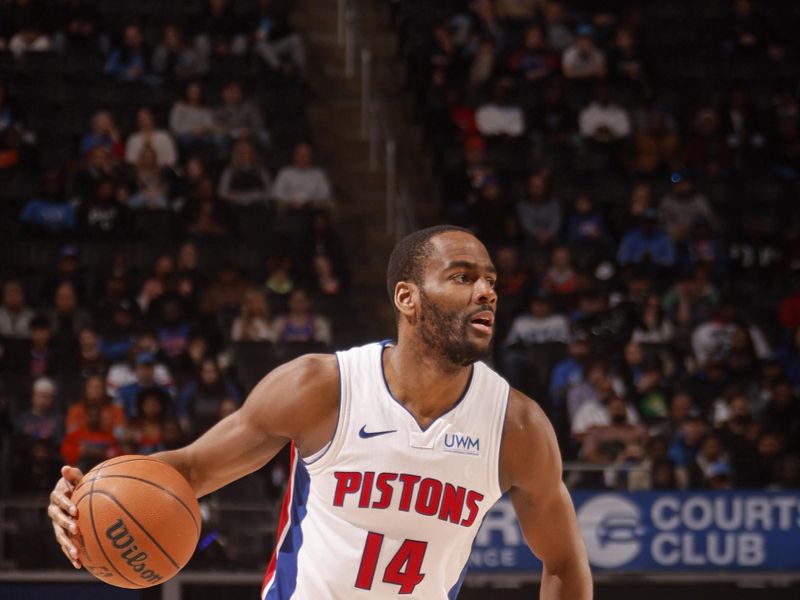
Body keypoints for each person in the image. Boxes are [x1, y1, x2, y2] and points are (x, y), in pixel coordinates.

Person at [49, 226, 591, 597]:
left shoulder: (516, 427)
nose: (487, 292)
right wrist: (86, 492)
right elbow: (191, 469)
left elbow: (565, 563)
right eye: (463, 277)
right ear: (407, 298)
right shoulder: (322, 387)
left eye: (491, 281)